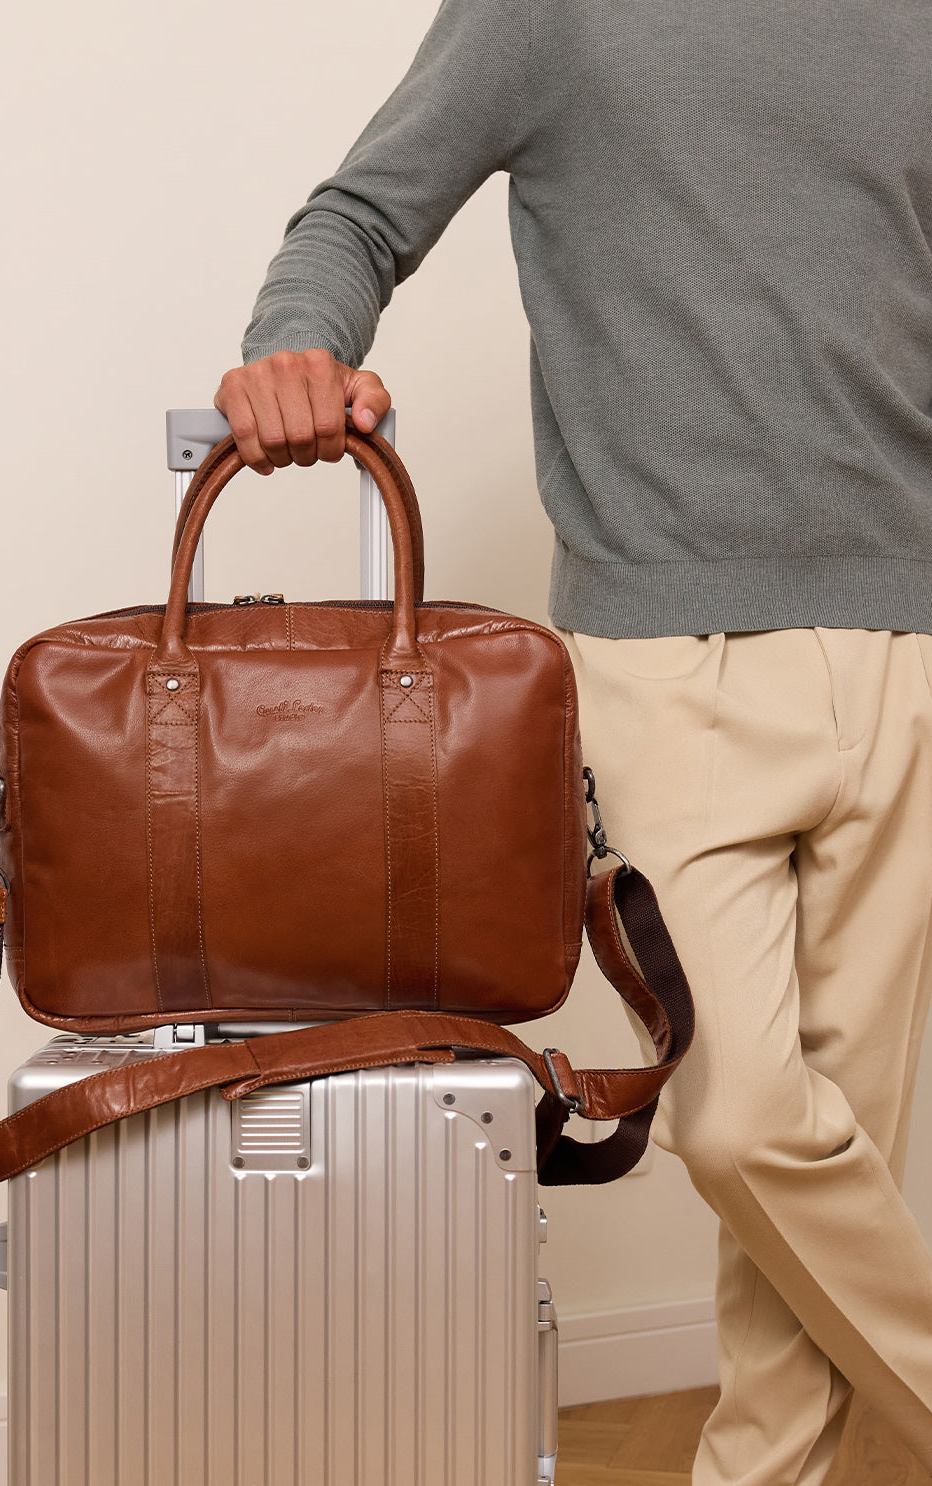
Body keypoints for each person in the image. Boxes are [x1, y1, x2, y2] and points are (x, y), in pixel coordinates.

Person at [213, 0, 932, 1480]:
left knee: (829, 1180)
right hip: (667, 656)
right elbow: (359, 215)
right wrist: (295, 342)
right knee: (742, 1126)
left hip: (912, 638)